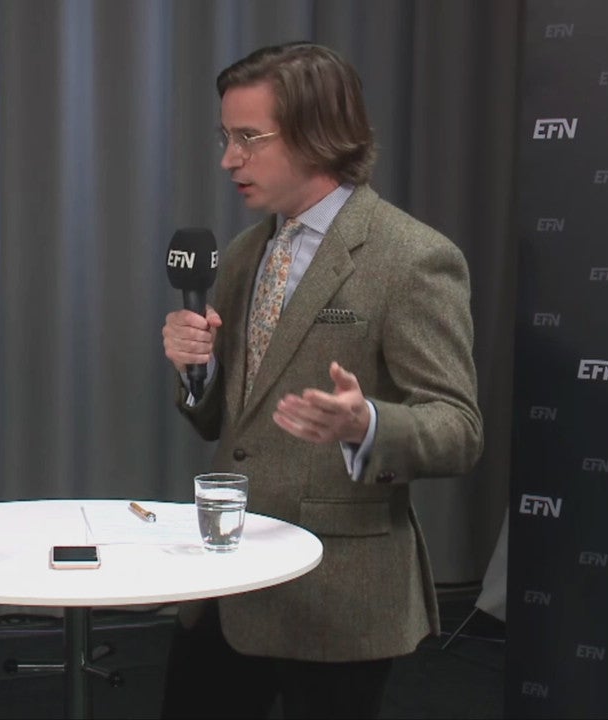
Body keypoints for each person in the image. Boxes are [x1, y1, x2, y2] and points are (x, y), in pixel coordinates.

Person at [159, 43, 482, 719]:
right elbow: (227, 423)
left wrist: (368, 424)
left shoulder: (412, 258)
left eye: (250, 138)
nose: (229, 160)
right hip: (229, 581)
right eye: (226, 137)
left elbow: (458, 429)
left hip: (338, 593)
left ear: (318, 134)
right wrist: (198, 369)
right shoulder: (245, 253)